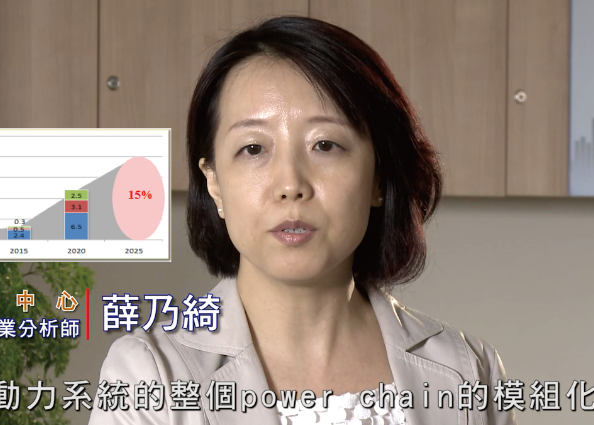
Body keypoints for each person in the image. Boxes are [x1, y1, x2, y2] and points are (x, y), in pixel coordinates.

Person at [89, 16, 518, 425]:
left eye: (325, 145)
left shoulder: (469, 370)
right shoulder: (148, 375)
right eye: (253, 149)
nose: (290, 184)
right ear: (214, 184)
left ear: (379, 178)